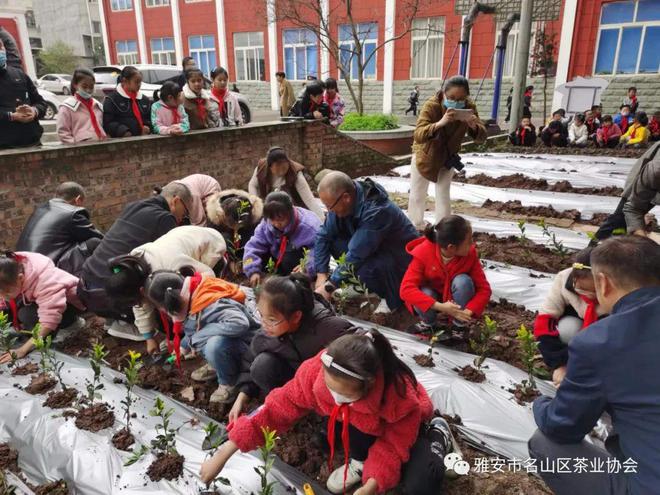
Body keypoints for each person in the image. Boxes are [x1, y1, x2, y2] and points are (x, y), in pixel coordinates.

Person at [201, 330, 454, 495]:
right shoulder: (317, 373)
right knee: (334, 427)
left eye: (343, 393)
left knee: (422, 484)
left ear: (368, 385)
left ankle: (438, 433)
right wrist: (224, 452)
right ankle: (361, 460)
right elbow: (277, 405)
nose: (334, 396)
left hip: (408, 426)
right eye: (330, 388)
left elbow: (393, 443)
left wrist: (372, 484)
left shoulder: (398, 397)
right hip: (361, 420)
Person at [529, 236, 660, 495]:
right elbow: (545, 321)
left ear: (603, 282)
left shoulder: (600, 341)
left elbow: (562, 425)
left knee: (544, 443)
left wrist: (540, 403)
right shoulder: (565, 286)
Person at [229, 273, 355, 421]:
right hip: (295, 383)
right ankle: (290, 409)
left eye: (271, 319)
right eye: (261, 315)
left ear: (296, 316)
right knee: (261, 365)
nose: (264, 324)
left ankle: (324, 419)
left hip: (323, 389)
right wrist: (241, 398)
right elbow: (250, 360)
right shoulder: (269, 332)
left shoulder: (326, 328)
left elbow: (362, 345)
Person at [77, 182, 192, 342]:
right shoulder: (164, 219)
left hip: (86, 287)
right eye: (185, 213)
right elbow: (169, 267)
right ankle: (129, 324)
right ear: (176, 201)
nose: (182, 218)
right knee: (162, 287)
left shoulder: (135, 206)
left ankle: (118, 320)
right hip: (113, 295)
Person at [104, 225, 226, 355]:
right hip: (181, 239)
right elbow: (141, 306)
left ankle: (206, 342)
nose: (139, 305)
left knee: (195, 303)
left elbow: (208, 278)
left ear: (141, 290)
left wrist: (191, 330)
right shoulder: (131, 271)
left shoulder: (171, 267)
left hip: (209, 244)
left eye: (138, 301)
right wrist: (149, 338)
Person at [144, 270, 259, 403]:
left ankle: (229, 383)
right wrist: (184, 346)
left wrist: (198, 337)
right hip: (238, 338)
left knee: (213, 346)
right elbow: (196, 325)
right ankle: (219, 365)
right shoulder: (195, 292)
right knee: (206, 340)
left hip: (251, 344)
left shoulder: (210, 304)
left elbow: (239, 323)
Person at [315, 172, 419, 314]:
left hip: (400, 260)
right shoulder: (344, 202)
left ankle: (388, 297)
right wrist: (321, 274)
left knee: (366, 267)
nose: (329, 211)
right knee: (333, 241)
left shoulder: (377, 211)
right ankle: (360, 284)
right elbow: (323, 236)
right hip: (372, 249)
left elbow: (358, 253)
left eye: (330, 206)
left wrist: (329, 286)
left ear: (346, 198)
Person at [408, 76, 487, 229]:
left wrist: (473, 126)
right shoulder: (432, 105)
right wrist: (439, 123)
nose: (456, 102)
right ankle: (415, 226)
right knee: (417, 194)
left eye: (460, 99)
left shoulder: (469, 107)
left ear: (466, 98)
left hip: (448, 157)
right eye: (451, 98)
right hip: (425, 156)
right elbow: (418, 134)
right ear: (443, 93)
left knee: (443, 193)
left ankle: (443, 229)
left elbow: (482, 136)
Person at [400, 215, 491, 334]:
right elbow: (405, 290)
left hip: (456, 303)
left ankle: (458, 326)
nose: (472, 244)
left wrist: (468, 311)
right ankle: (429, 323)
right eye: (469, 242)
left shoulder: (470, 254)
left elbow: (484, 289)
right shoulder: (424, 253)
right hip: (433, 302)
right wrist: (440, 307)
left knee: (463, 281)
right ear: (451, 248)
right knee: (424, 292)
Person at [533, 247, 607, 388]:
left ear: (605, 283)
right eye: (580, 289)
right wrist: (560, 364)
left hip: (604, 328)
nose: (587, 296)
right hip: (579, 323)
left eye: (592, 292)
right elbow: (544, 321)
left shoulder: (618, 292)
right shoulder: (563, 279)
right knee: (568, 328)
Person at [0, 252, 85, 364]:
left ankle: (71, 324)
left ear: (20, 278)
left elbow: (48, 321)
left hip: (71, 304)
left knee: (26, 315)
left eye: (7, 293)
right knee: (8, 309)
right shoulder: (16, 266)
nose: (3, 297)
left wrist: (22, 350)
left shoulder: (45, 283)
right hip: (41, 298)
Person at [16, 182, 103, 277]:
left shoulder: (41, 209)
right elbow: (101, 239)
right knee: (94, 242)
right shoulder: (72, 213)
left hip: (23, 267)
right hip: (48, 269)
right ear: (78, 200)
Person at [243, 191, 321, 286]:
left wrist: (307, 266)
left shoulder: (309, 226)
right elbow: (253, 246)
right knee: (259, 258)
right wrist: (252, 271)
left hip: (296, 261)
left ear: (290, 212)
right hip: (277, 257)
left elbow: (319, 250)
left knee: (289, 260)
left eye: (281, 220)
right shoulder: (266, 224)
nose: (276, 224)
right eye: (272, 220)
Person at [593, 141, 660, 242]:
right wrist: (641, 238)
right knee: (620, 218)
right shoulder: (655, 170)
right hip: (644, 182)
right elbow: (634, 208)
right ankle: (594, 247)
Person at [247, 146, 324, 221]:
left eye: (284, 167)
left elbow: (309, 199)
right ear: (270, 167)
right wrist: (256, 203)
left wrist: (322, 219)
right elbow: (252, 185)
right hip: (269, 205)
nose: (281, 171)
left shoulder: (295, 173)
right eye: (277, 167)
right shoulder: (261, 168)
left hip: (291, 208)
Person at [0, 38, 46, 149]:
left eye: (0, 46)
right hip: (4, 150)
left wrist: (34, 111)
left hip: (33, 144)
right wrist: (11, 116)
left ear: (4, 49)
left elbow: (41, 103)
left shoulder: (20, 75)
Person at [205, 189, 264, 266]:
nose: (236, 229)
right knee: (222, 237)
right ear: (223, 216)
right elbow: (213, 244)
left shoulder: (253, 215)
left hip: (247, 247)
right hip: (225, 246)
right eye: (233, 226)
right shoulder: (215, 216)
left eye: (239, 225)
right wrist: (230, 261)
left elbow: (256, 241)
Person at [57, 67, 107, 144]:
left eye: (91, 87)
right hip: (80, 150)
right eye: (84, 86)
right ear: (75, 85)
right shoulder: (67, 107)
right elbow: (63, 133)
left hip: (101, 146)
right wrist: (76, 148)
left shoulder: (97, 105)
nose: (88, 90)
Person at [102, 66, 151, 138]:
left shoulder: (144, 99)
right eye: (136, 82)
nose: (139, 85)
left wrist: (147, 127)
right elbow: (108, 122)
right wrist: (123, 131)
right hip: (122, 140)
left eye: (140, 82)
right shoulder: (112, 99)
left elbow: (149, 118)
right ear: (125, 81)